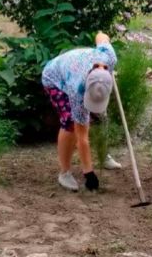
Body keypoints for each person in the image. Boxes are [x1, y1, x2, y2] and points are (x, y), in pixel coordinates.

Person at [41, 30, 121, 191]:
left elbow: (100, 35)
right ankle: (64, 173)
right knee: (70, 124)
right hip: (55, 78)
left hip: (77, 66)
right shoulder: (76, 90)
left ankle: (103, 155)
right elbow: (82, 137)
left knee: (102, 116)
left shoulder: (109, 58)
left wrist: (103, 38)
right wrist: (88, 173)